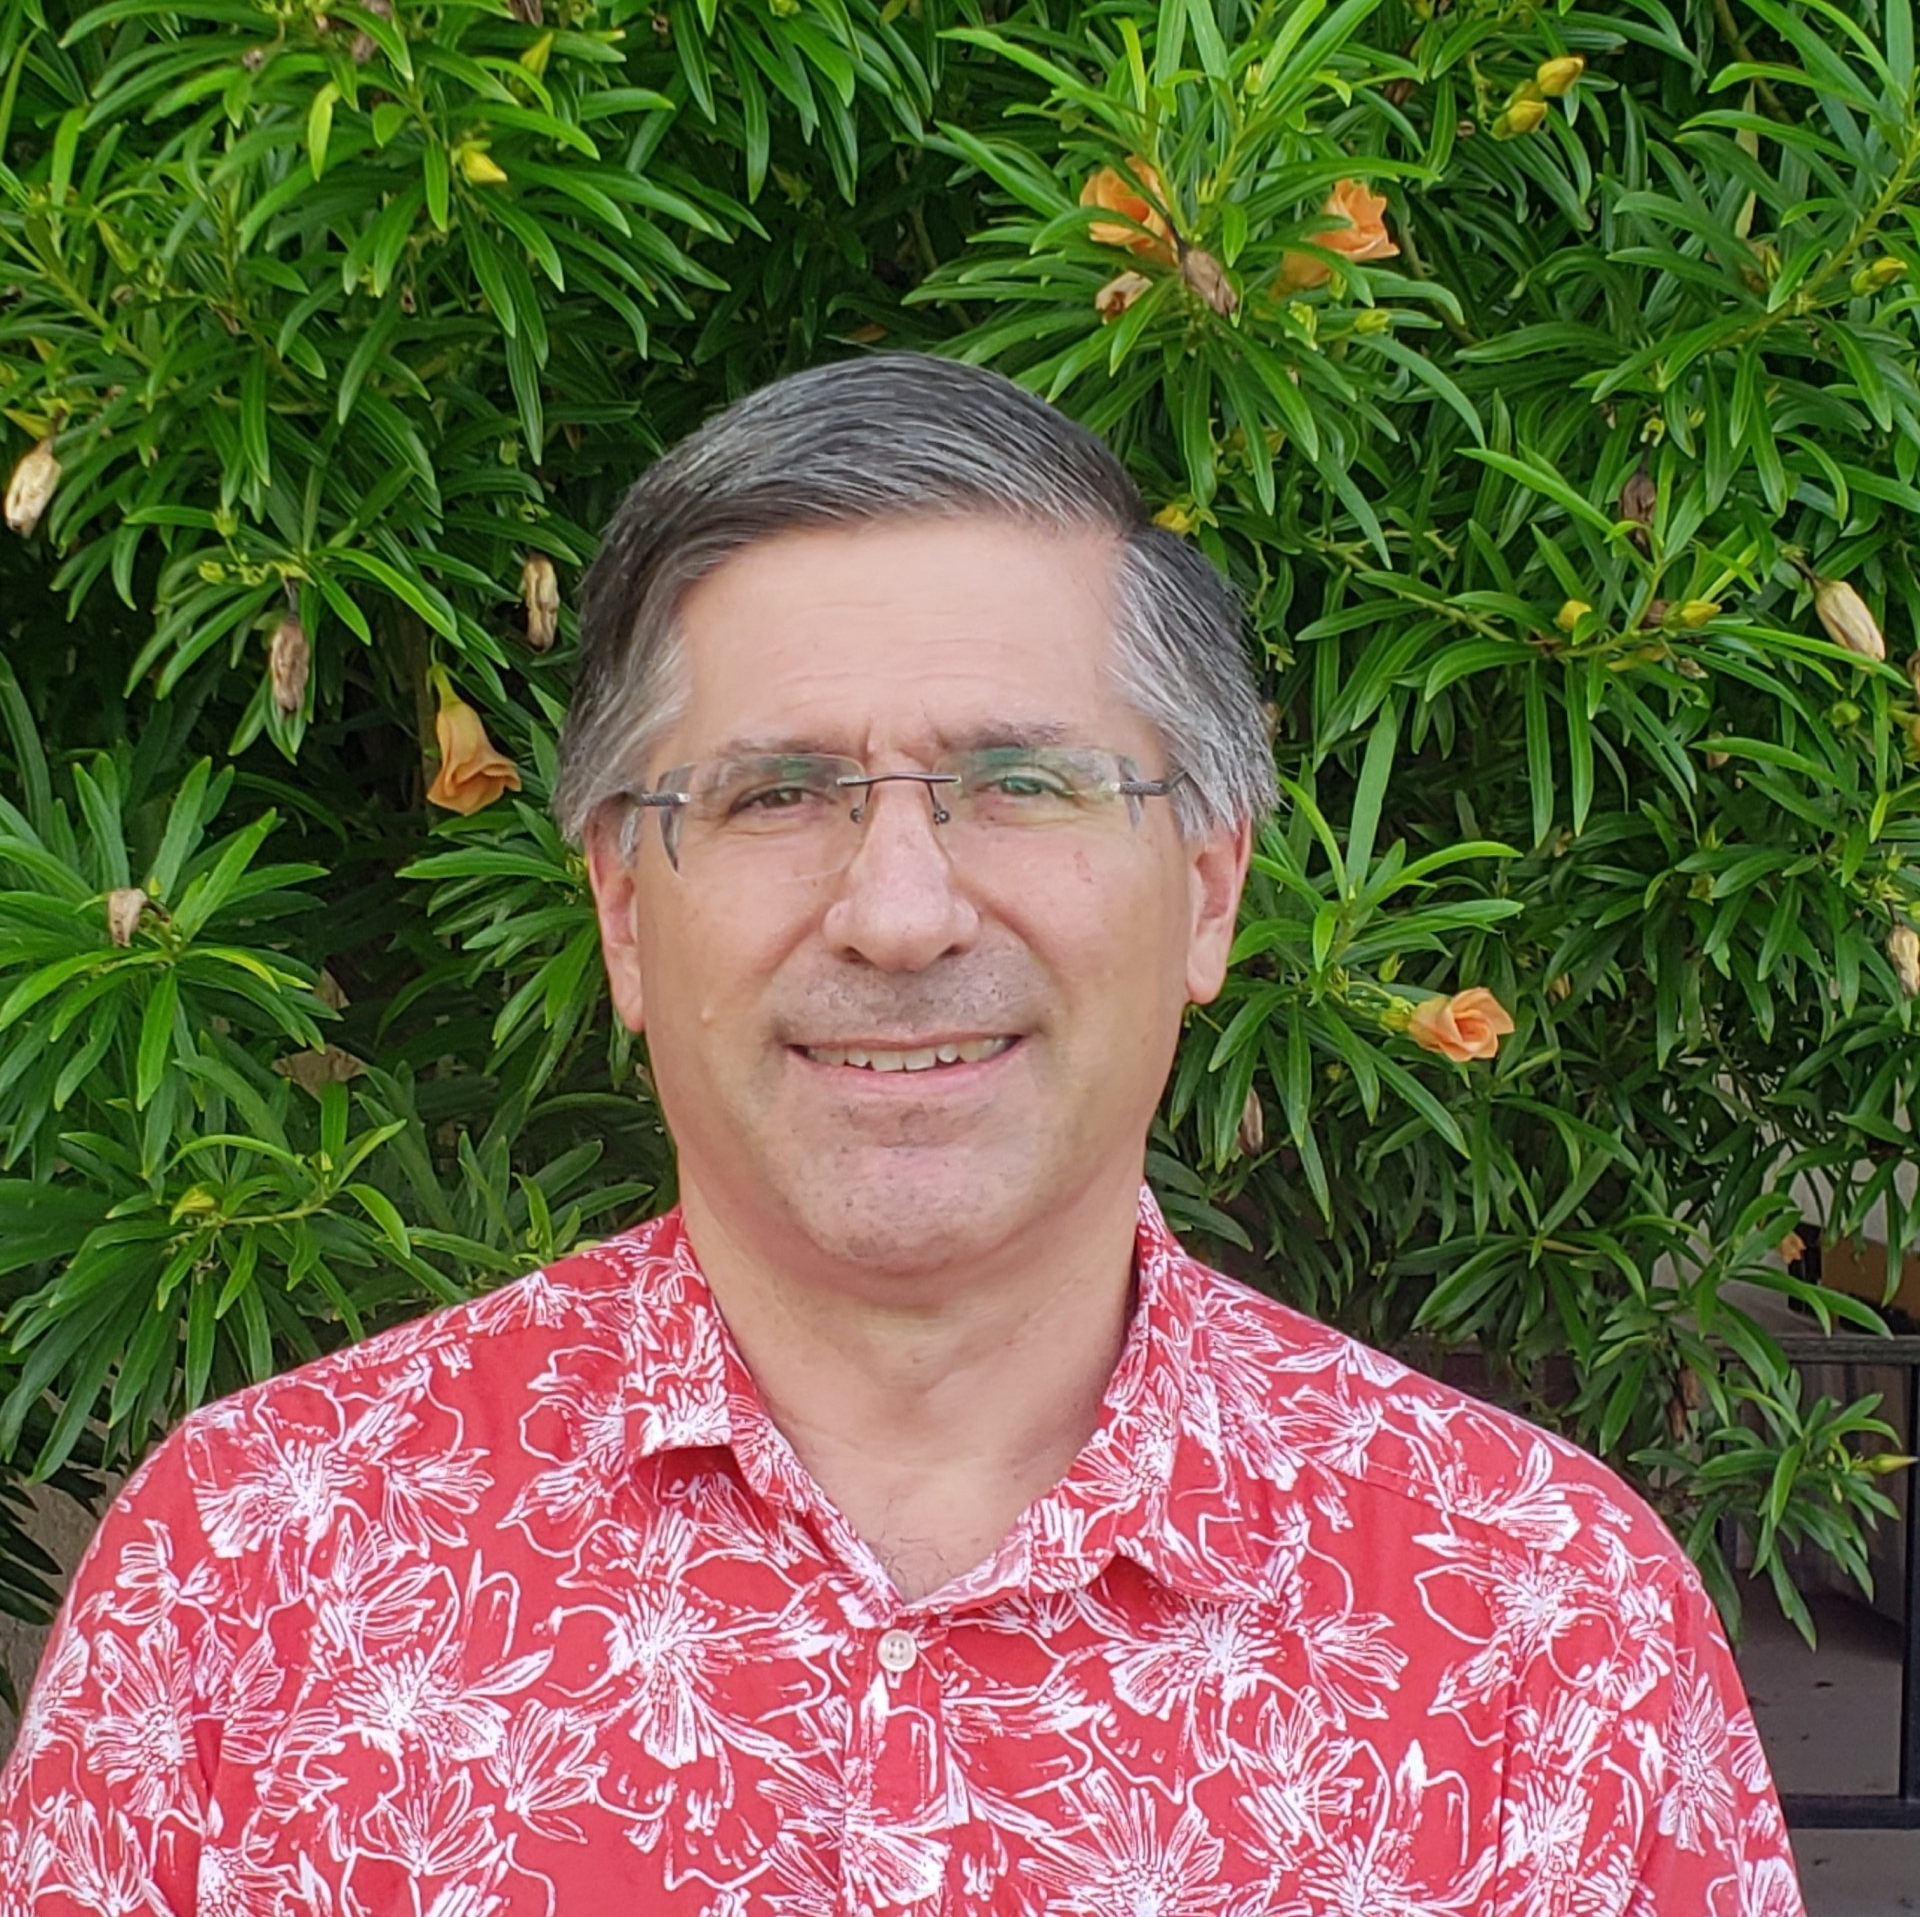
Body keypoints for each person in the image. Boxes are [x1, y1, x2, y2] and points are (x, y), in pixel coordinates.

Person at [0, 355, 1802, 1915]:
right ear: (627, 913)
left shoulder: (1544, 1629)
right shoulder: (254, 1577)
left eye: (1022, 782)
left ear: (1207, 886)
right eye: (781, 794)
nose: (902, 912)